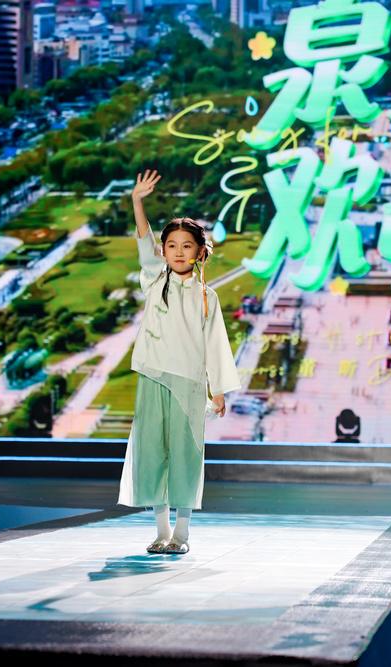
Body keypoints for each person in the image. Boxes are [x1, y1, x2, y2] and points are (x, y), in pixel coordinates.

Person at [118, 169, 243, 555]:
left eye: (186, 245)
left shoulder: (208, 297)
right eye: (171, 245)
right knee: (152, 453)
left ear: (200, 252)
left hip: (188, 383)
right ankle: (161, 531)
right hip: (154, 377)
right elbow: (144, 242)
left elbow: (216, 345)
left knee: (186, 456)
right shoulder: (154, 281)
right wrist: (137, 201)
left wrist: (217, 390)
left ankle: (182, 533)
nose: (177, 251)